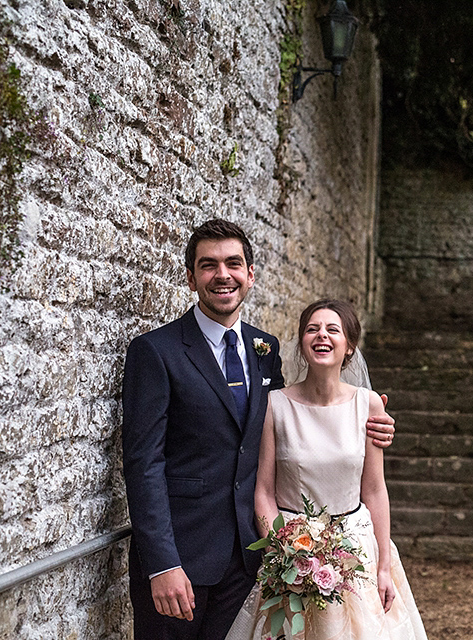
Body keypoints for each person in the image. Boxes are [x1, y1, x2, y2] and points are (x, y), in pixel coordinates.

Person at [122, 220, 396, 640]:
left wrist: (369, 424)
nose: (222, 274)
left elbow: (292, 433)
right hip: (182, 561)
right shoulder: (155, 351)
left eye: (233, 263)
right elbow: (143, 464)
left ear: (250, 276)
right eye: (208, 265)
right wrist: (162, 564)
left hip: (252, 564)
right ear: (191, 277)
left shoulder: (262, 349)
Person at [226, 299, 428, 640]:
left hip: (356, 551)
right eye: (312, 329)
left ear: (349, 346)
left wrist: (382, 567)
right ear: (302, 345)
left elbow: (375, 490)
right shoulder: (276, 404)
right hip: (292, 549)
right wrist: (281, 555)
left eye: (333, 329)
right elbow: (263, 490)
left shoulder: (369, 404)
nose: (322, 335)